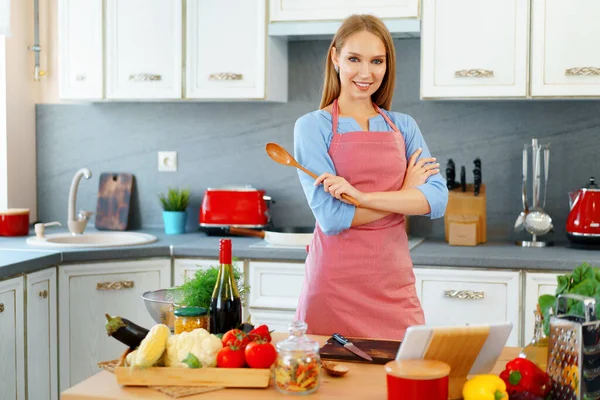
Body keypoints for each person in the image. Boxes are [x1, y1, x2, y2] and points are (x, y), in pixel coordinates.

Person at [293, 14, 448, 340]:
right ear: (335, 57)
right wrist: (405, 194)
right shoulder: (312, 127)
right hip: (333, 286)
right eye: (354, 59)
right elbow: (332, 217)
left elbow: (436, 199)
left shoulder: (403, 126)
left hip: (393, 285)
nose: (366, 73)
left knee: (403, 383)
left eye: (377, 61)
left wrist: (362, 198)